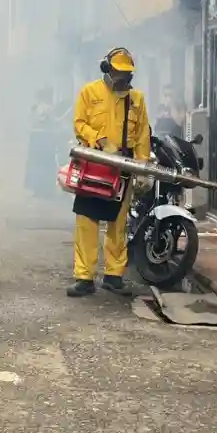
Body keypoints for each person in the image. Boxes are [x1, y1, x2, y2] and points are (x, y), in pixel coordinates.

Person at [68, 47, 151, 297]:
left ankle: (114, 276)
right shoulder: (89, 92)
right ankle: (84, 277)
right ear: (107, 70)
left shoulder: (137, 99)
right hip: (94, 163)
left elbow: (143, 135)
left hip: (123, 167)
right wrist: (99, 139)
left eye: (127, 74)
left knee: (118, 223)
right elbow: (79, 123)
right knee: (87, 221)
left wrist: (143, 168)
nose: (124, 79)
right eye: (119, 73)